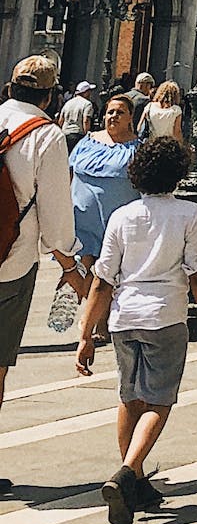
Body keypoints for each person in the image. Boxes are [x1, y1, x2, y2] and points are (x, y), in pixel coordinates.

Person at [75, 136, 197, 524]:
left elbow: (102, 280)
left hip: (124, 317)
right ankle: (127, 474)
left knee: (130, 395)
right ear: (177, 173)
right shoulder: (189, 213)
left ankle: (136, 485)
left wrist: (86, 333)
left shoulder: (122, 215)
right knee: (159, 400)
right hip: (166, 316)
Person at [0, 56, 89, 480]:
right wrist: (69, 264)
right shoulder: (46, 136)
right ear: (51, 95)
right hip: (10, 265)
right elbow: (55, 215)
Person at [70, 92, 140, 267]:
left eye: (120, 112)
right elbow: (69, 173)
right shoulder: (87, 141)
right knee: (78, 269)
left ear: (130, 117)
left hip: (116, 225)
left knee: (106, 275)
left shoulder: (138, 149)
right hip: (82, 222)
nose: (113, 116)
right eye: (110, 112)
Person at [60, 82, 96, 153]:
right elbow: (86, 120)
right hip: (78, 134)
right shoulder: (87, 104)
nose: (90, 93)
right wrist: (87, 135)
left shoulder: (68, 103)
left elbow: (61, 120)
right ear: (85, 92)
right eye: (89, 91)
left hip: (65, 134)